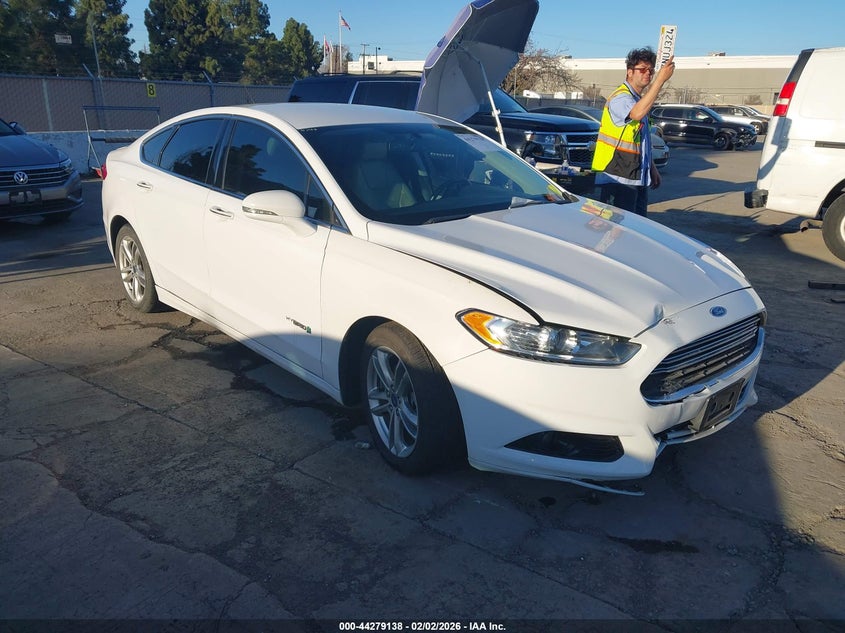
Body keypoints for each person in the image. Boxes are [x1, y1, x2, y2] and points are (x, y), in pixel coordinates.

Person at [592, 47, 675, 217]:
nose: (648, 74)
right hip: (617, 177)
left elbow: (641, 140)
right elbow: (636, 114)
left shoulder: (638, 100)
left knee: (636, 230)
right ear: (629, 72)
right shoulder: (620, 97)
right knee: (616, 231)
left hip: (635, 176)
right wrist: (660, 81)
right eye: (642, 70)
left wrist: (651, 167)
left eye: (651, 71)